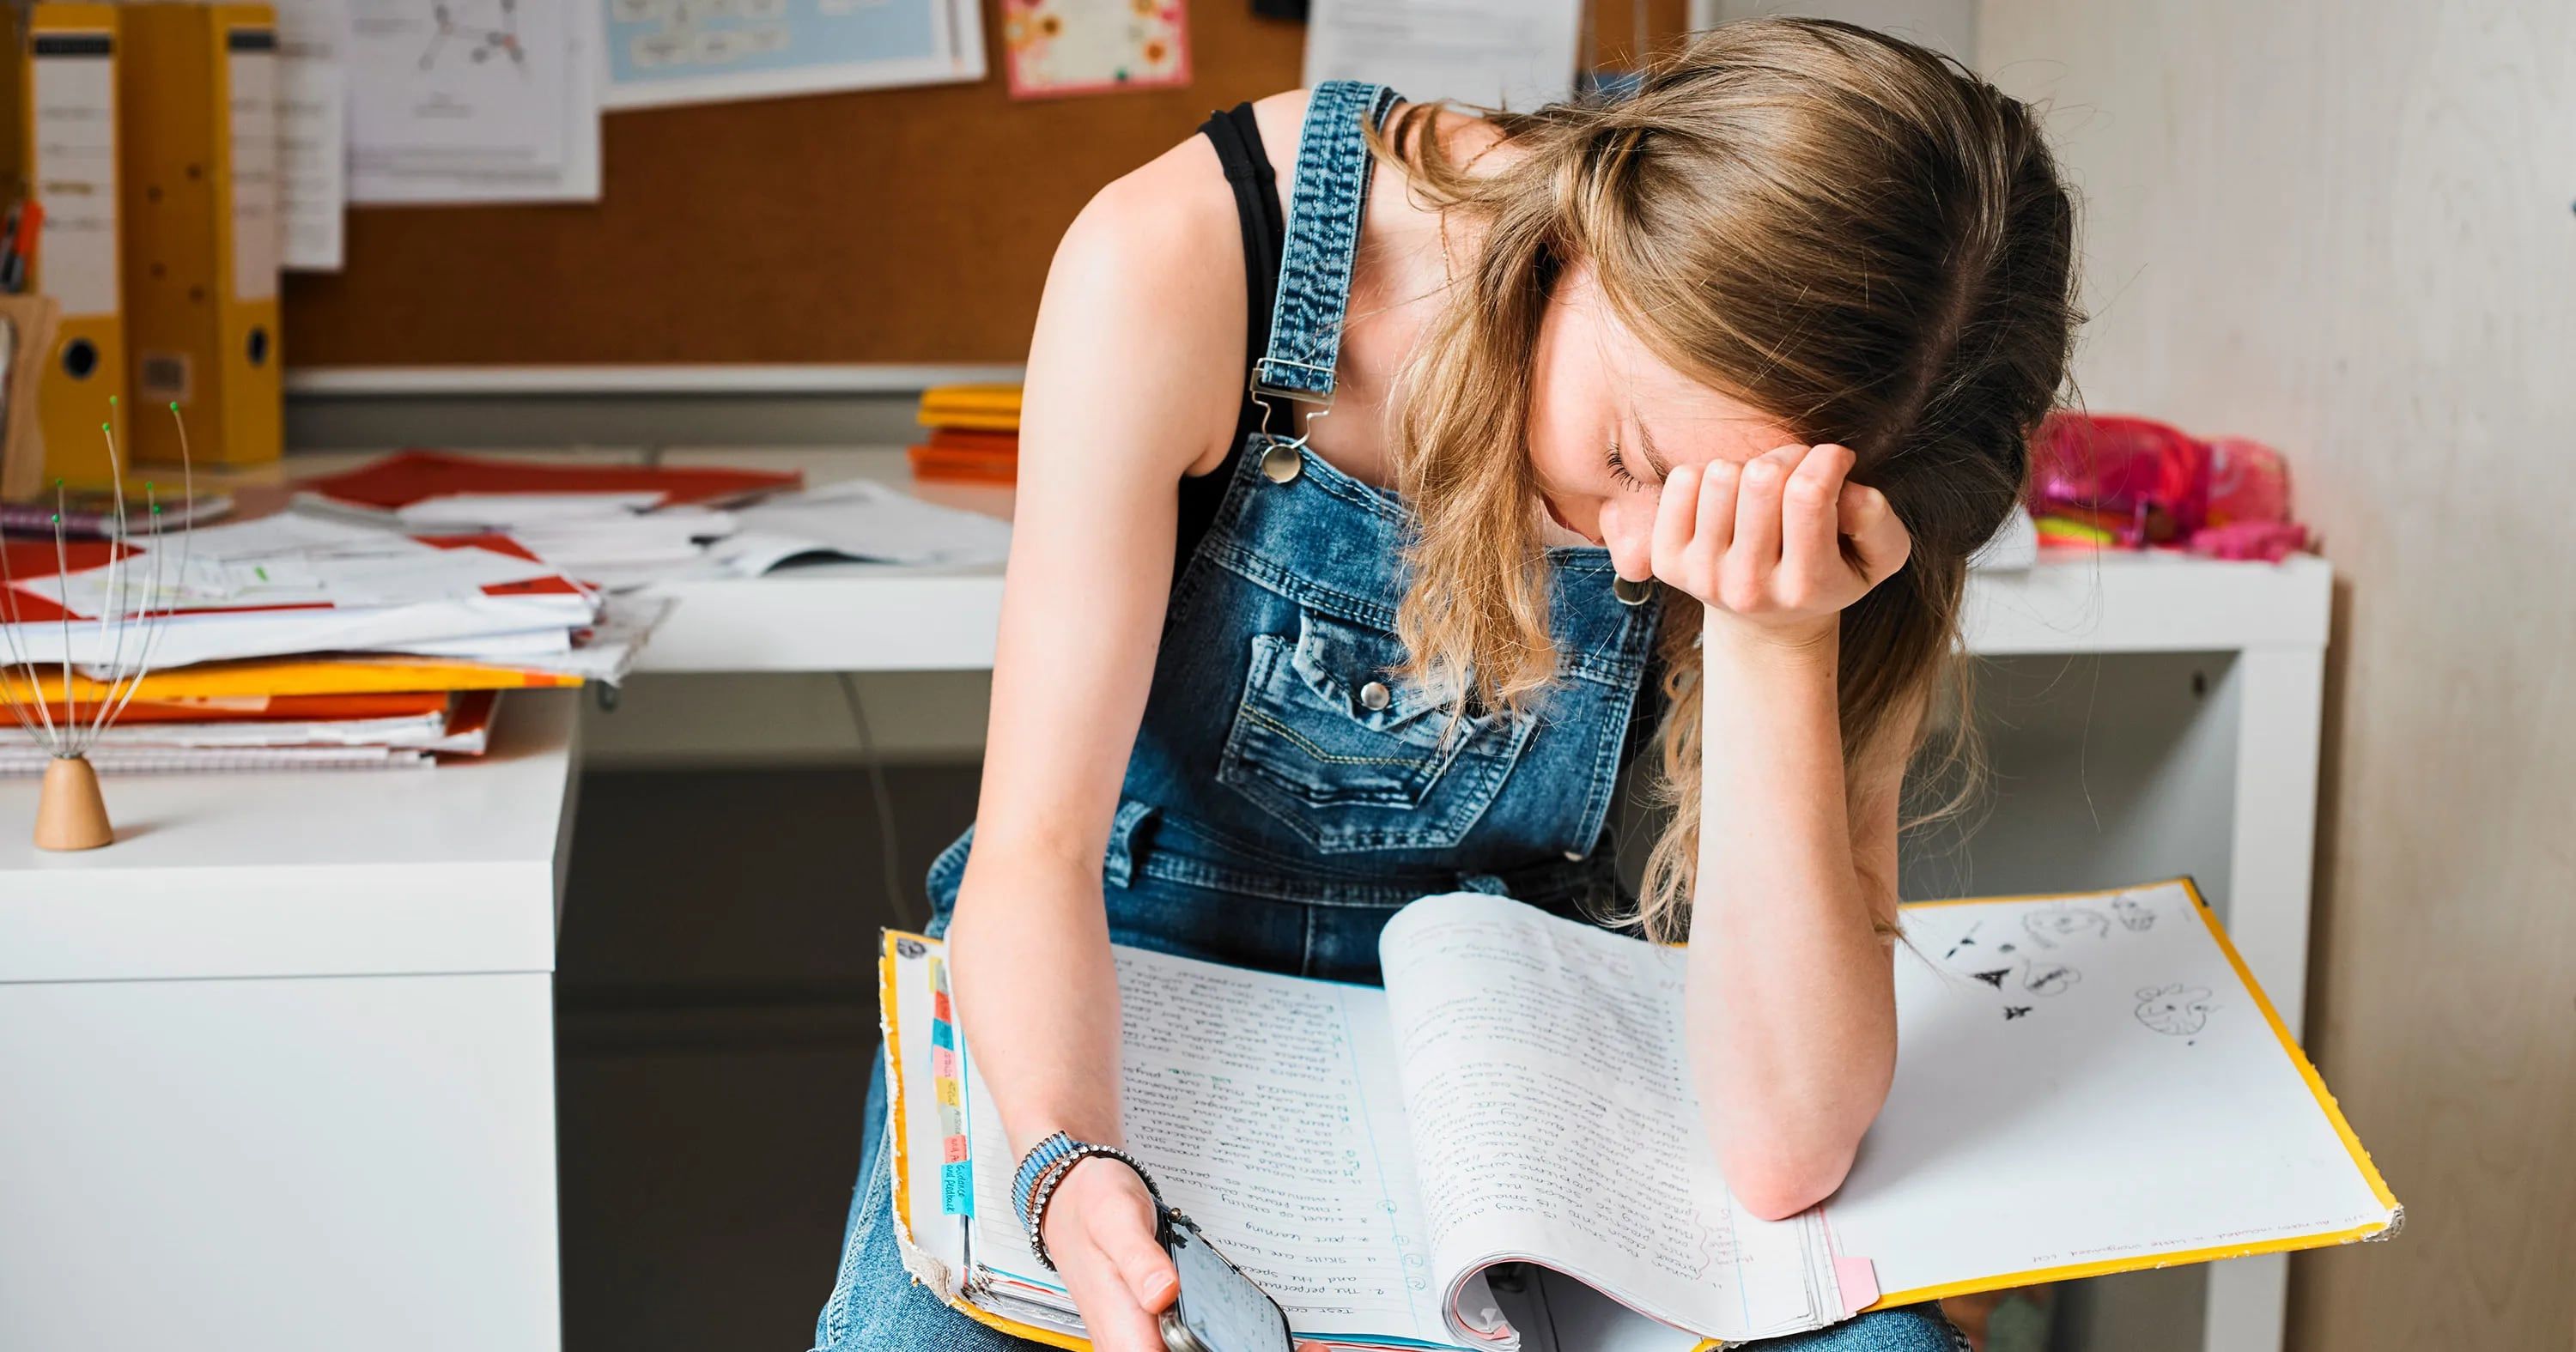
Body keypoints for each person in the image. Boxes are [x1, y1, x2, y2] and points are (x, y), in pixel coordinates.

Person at [815, 17, 2076, 1352]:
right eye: (1631, 458)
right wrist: (1068, 1170)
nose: (1649, 550)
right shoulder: (1191, 258)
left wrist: (1775, 629)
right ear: (1594, 230)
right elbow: (1035, 849)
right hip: (1123, 991)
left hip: (1522, 1049)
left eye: (1730, 534)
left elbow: (1782, 1147)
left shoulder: (1862, 475)